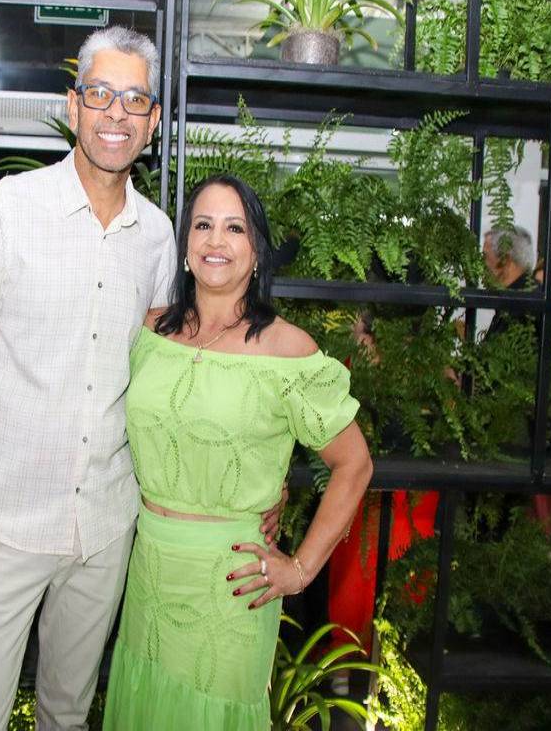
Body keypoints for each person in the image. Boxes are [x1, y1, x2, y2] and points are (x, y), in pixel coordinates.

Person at [0, 27, 284, 730]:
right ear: (74, 105)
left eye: (134, 99)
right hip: (3, 528)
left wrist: (258, 485)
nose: (116, 113)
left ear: (153, 121)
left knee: (67, 714)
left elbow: (182, 374)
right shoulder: (6, 210)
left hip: (106, 530)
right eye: (100, 94)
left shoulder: (160, 239)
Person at [102, 175, 374, 730]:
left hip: (232, 586)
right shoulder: (149, 332)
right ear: (184, 246)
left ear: (256, 252)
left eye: (235, 228)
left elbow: (355, 463)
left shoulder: (287, 350)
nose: (216, 241)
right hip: (149, 571)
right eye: (203, 225)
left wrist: (301, 569)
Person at [482, 225, 535, 341]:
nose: (481, 264)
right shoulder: (528, 295)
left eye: (485, 256)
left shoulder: (520, 307)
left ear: (505, 259)